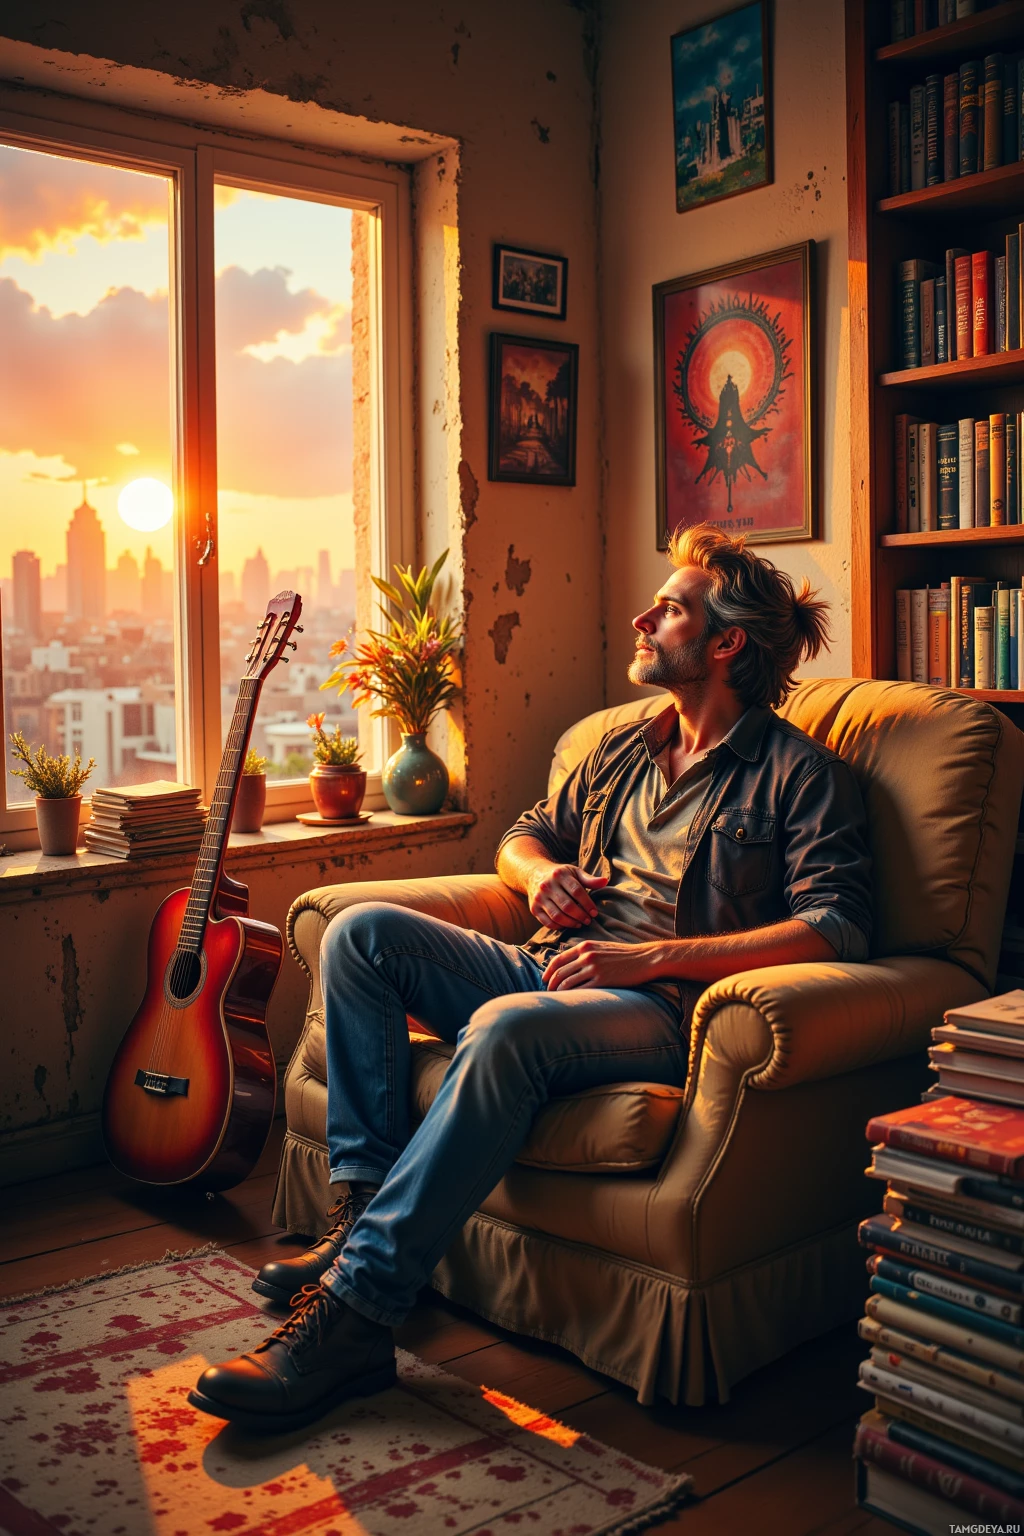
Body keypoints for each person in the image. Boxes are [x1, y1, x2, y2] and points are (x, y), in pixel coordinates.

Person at [189, 522, 873, 1432]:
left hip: (657, 1008)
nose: (640, 616)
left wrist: (654, 956)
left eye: (667, 609)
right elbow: (523, 833)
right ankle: (358, 1222)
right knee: (360, 934)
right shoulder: (625, 747)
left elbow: (836, 927)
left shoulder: (801, 777)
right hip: (544, 965)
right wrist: (536, 875)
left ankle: (355, 1320)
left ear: (725, 643)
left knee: (505, 1027)